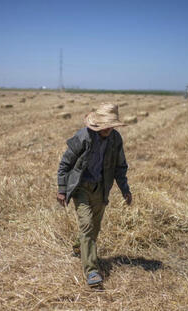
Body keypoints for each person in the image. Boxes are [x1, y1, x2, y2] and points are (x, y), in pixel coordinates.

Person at [57, 103, 132, 287]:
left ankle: (79, 246)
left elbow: (120, 167)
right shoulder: (83, 136)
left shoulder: (115, 139)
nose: (108, 129)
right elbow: (65, 163)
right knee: (87, 224)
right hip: (81, 188)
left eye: (111, 125)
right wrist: (61, 188)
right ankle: (91, 271)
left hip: (101, 187)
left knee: (94, 228)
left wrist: (125, 189)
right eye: (105, 125)